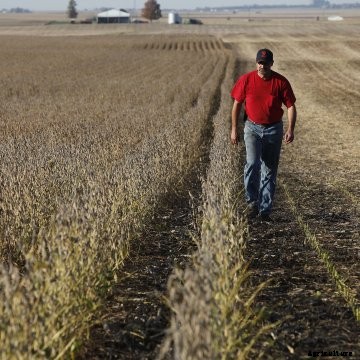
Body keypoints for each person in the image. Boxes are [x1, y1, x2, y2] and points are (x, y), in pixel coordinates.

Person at [230, 48, 297, 222]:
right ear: (256, 63)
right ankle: (252, 203)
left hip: (274, 130)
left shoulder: (280, 82)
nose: (262, 66)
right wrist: (233, 129)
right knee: (252, 164)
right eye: (260, 62)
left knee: (269, 169)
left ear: (272, 64)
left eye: (266, 63)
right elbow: (237, 104)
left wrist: (291, 129)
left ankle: (265, 210)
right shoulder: (246, 80)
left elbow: (290, 106)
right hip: (252, 128)